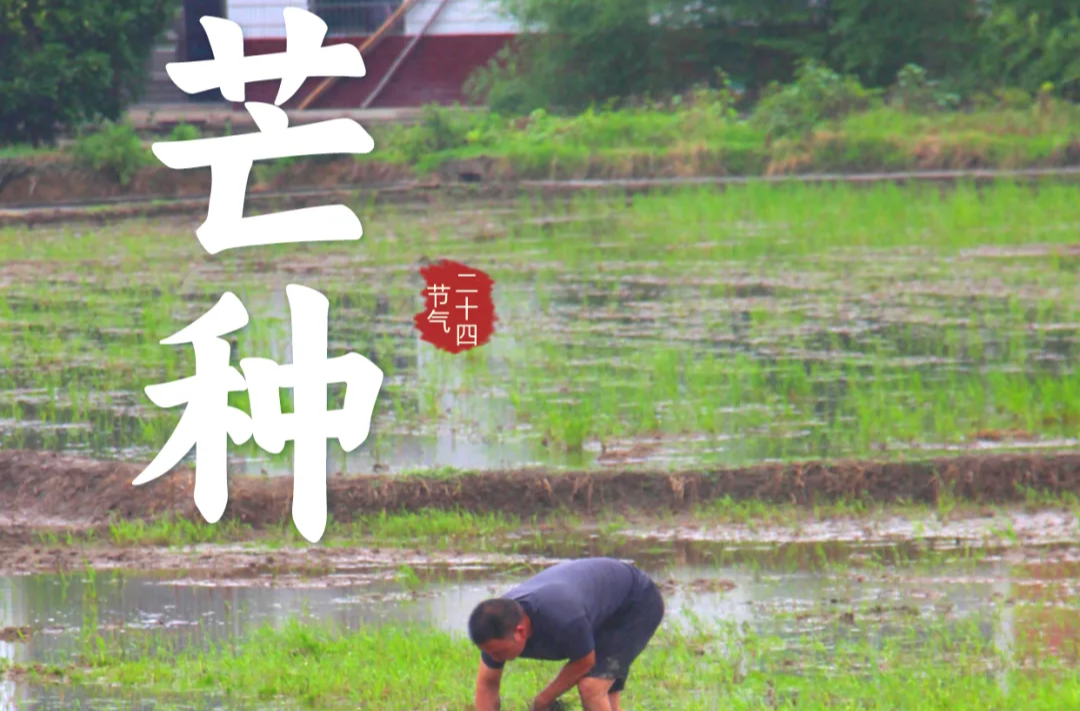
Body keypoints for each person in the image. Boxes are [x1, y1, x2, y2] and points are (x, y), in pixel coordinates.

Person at [467, 557, 665, 711]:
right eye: (488, 652)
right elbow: (487, 684)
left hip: (634, 602)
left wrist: (544, 699)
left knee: (592, 688)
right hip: (597, 604)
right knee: (608, 703)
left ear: (520, 632)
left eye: (498, 652)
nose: (494, 658)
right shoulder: (497, 623)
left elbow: (585, 661)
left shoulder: (562, 617)